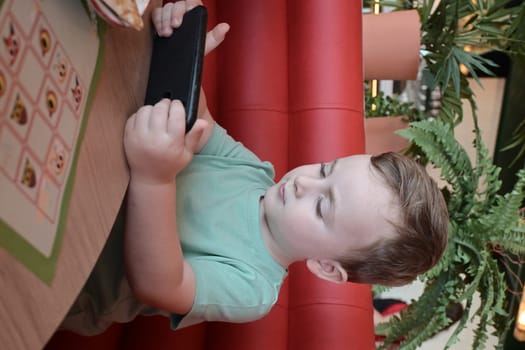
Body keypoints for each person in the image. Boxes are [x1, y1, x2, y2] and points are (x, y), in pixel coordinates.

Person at [61, 0, 449, 336]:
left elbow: (159, 283)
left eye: (322, 207)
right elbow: (199, 120)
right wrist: (183, 49)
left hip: (73, 275)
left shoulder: (254, 288)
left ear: (327, 267)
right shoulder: (255, 174)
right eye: (326, 169)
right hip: (77, 183)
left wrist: (154, 177)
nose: (304, 184)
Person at [373, 298, 464, 349]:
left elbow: (391, 347)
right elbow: (379, 326)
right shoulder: (412, 315)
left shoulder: (421, 333)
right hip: (365, 320)